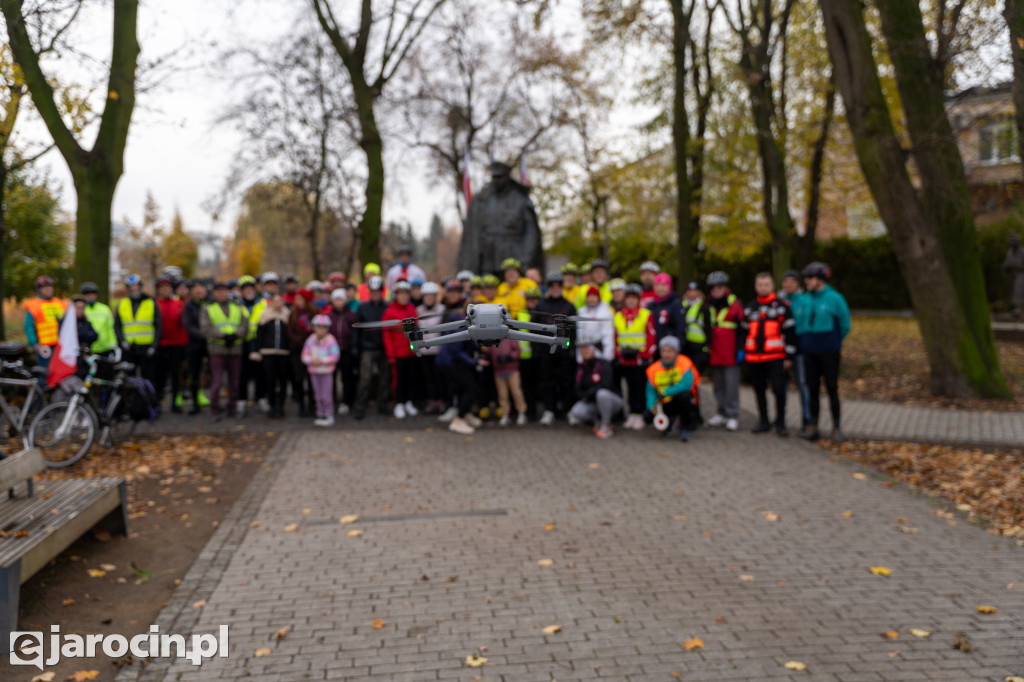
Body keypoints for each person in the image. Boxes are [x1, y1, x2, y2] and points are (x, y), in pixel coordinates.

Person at [795, 262, 851, 442]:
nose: (806, 281)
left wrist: (833, 342)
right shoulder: (805, 299)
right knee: (812, 389)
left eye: (809, 278)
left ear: (820, 280)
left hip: (829, 351)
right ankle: (813, 426)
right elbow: (801, 323)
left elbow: (845, 325)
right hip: (809, 351)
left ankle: (836, 427)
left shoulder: (835, 298)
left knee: (832, 388)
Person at [742, 272, 797, 437]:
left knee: (779, 390)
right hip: (754, 358)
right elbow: (744, 332)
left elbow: (791, 332)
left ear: (772, 286)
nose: (763, 287)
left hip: (776, 358)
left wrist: (789, 356)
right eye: (760, 284)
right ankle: (763, 421)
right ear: (755, 286)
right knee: (759, 390)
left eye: (766, 284)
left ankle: (780, 423)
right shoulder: (750, 307)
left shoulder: (782, 306)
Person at [200, 281, 249, 421]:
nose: (221, 294)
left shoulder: (238, 306)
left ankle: (232, 407)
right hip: (217, 350)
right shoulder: (208, 308)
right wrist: (223, 336)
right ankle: (215, 408)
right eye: (218, 291)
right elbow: (205, 328)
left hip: (235, 349)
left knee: (235, 381)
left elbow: (245, 324)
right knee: (217, 381)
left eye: (224, 291)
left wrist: (235, 335)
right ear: (214, 293)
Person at [705, 271, 744, 431]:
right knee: (718, 385)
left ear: (725, 287)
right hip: (715, 351)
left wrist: (741, 349)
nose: (716, 290)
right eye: (713, 287)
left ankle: (733, 415)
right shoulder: (708, 304)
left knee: (731, 385)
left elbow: (742, 328)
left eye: (719, 287)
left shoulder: (735, 303)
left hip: (730, 351)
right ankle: (721, 413)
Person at [536, 271, 577, 425]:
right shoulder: (541, 305)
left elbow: (574, 330)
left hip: (564, 352)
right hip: (546, 352)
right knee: (547, 382)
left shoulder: (569, 306)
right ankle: (549, 410)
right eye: (552, 286)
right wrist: (538, 348)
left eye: (558, 285)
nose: (555, 288)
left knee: (566, 381)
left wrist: (570, 347)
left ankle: (568, 410)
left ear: (562, 287)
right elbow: (534, 329)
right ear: (548, 288)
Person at [614, 284, 656, 430]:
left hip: (640, 359)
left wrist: (645, 355)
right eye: (629, 298)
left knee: (640, 387)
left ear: (639, 300)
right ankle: (632, 413)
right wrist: (618, 353)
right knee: (630, 388)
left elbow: (651, 337)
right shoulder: (619, 315)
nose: (631, 301)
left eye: (634, 298)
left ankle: (641, 414)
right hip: (625, 359)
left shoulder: (645, 314)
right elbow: (615, 336)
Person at [436, 302, 482, 435]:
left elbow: (471, 342)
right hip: (450, 363)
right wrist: (475, 361)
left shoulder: (470, 322)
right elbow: (455, 349)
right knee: (471, 388)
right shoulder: (463, 324)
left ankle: (465, 413)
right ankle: (458, 419)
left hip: (456, 362)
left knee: (465, 388)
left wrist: (479, 351)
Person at [644, 335, 700, 442]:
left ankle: (684, 428)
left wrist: (667, 392)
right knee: (646, 416)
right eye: (663, 351)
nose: (666, 354)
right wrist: (651, 406)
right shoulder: (653, 369)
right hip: (664, 404)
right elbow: (650, 390)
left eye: (669, 351)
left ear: (676, 352)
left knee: (685, 397)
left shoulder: (684, 363)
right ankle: (668, 422)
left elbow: (687, 384)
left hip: (683, 402)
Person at [352, 276, 391, 419]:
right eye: (373, 291)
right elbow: (356, 328)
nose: (375, 294)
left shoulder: (387, 306)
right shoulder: (363, 307)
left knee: (385, 377)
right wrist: (355, 346)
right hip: (367, 347)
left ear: (382, 292)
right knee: (365, 378)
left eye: (378, 291)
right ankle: (360, 405)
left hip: (383, 347)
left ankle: (383, 403)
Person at [778, 269, 812, 432]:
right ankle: (780, 417)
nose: (788, 284)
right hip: (780, 349)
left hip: (800, 348)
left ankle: (806, 416)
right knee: (780, 385)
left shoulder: (804, 301)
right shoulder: (778, 300)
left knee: (802, 383)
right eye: (785, 281)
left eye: (791, 281)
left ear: (798, 284)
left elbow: (805, 325)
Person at [568, 340, 623, 439]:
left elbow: (606, 384)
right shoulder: (581, 368)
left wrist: (589, 393)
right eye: (582, 349)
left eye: (587, 348)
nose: (585, 351)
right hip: (593, 402)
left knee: (602, 394)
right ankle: (597, 421)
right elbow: (577, 390)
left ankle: (606, 425)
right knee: (576, 411)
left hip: (612, 401)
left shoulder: (603, 364)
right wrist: (588, 394)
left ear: (594, 350)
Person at [114, 273, 162, 384]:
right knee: (129, 379)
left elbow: (158, 326)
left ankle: (147, 401)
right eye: (131, 286)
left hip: (146, 348)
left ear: (140, 286)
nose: (134, 289)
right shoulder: (122, 303)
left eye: (136, 286)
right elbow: (117, 325)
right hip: (129, 348)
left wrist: (154, 346)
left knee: (148, 378)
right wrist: (122, 341)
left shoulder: (150, 302)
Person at [381, 280, 419, 419]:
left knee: (411, 377)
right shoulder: (390, 311)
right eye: (401, 294)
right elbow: (387, 334)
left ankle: (408, 401)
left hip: (411, 351)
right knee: (399, 379)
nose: (404, 297)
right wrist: (391, 354)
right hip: (398, 352)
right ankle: (399, 403)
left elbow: (416, 329)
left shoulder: (412, 309)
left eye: (406, 294)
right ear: (396, 295)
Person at [251, 292, 291, 418]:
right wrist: (257, 350)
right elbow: (259, 335)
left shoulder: (287, 315)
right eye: (275, 301)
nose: (278, 303)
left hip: (284, 353)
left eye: (280, 301)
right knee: (270, 381)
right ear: (271, 302)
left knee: (283, 381)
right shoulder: (265, 315)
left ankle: (281, 406)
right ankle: (272, 406)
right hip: (268, 352)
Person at [25, 276, 68, 384]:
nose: (48, 290)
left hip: (60, 346)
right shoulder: (34, 305)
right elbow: (28, 326)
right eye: (45, 287)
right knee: (44, 373)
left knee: (59, 373)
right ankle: (41, 398)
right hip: (44, 347)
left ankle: (56, 398)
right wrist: (34, 343)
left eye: (50, 287)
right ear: (39, 289)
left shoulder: (60, 304)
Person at [155, 277, 188, 413]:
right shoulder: (155, 304)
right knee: (160, 376)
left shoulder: (179, 304)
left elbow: (183, 325)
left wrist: (184, 344)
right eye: (162, 288)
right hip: (161, 345)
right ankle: (158, 404)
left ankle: (175, 402)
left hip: (176, 345)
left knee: (176, 375)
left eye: (168, 288)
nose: (165, 290)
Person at [302, 314, 341, 427]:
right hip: (314, 371)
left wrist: (322, 360)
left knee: (326, 394)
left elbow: (335, 356)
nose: (321, 329)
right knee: (317, 394)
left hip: (326, 372)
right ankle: (320, 412)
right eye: (318, 327)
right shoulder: (310, 340)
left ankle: (328, 414)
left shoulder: (331, 340)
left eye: (323, 327)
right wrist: (311, 360)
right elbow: (304, 355)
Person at [483, 334, 528, 426]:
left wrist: (509, 357)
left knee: (516, 392)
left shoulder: (511, 337)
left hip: (512, 370)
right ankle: (505, 414)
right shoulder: (492, 338)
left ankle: (521, 412)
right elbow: (488, 351)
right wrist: (483, 357)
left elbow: (518, 351)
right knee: (502, 394)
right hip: (498, 371)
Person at [416, 282, 447, 414]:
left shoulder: (442, 309)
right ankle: (432, 400)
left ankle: (441, 401)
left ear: (435, 297)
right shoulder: (418, 310)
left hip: (438, 350)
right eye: (426, 296)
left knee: (439, 377)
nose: (428, 299)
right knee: (428, 378)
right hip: (424, 350)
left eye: (431, 296)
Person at [183, 280, 210, 415]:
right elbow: (187, 325)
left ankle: (214, 401)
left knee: (214, 373)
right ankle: (195, 403)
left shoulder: (211, 304)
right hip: (194, 345)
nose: (198, 292)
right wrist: (202, 335)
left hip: (211, 344)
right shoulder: (189, 307)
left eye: (201, 289)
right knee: (194, 374)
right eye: (195, 290)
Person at [288, 290, 316, 417]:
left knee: (311, 379)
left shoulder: (314, 313)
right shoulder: (293, 314)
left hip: (312, 350)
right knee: (298, 378)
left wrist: (309, 340)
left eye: (299, 298)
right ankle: (301, 405)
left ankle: (312, 404)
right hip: (297, 350)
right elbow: (289, 331)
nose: (297, 301)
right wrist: (299, 340)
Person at [328, 288, 356, 416]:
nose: (338, 302)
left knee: (347, 377)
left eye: (340, 299)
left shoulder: (351, 315)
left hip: (346, 350)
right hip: (331, 352)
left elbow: (355, 332)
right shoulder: (328, 316)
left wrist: (354, 347)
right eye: (336, 299)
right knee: (331, 378)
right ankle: (332, 400)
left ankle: (346, 401)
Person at [516, 286, 543, 419]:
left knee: (541, 385)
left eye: (534, 300)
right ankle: (529, 412)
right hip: (525, 356)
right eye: (529, 300)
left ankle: (540, 412)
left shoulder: (543, 313)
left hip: (540, 356)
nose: (532, 302)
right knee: (527, 386)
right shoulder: (520, 314)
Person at [574, 285, 615, 364]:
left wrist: (607, 356)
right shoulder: (581, 312)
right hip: (584, 353)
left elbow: (608, 335)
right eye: (589, 296)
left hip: (599, 352)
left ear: (598, 298)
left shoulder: (605, 312)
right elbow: (579, 335)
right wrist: (579, 356)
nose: (591, 299)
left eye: (594, 296)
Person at [79, 281, 118, 357]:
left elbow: (110, 327)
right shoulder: (81, 309)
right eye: (87, 294)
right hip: (87, 349)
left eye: (93, 294)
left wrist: (113, 343)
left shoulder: (104, 309)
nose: (90, 296)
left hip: (104, 348)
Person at [646, 273, 685, 346]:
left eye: (663, 285)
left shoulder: (675, 304)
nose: (660, 288)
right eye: (657, 285)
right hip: (654, 348)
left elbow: (681, 328)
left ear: (669, 287)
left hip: (669, 350)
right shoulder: (651, 305)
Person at [680, 281, 711, 373]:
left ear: (699, 292)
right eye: (690, 291)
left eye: (695, 291)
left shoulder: (704, 308)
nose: (692, 293)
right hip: (685, 344)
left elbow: (708, 328)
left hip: (699, 345)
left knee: (696, 372)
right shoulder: (682, 306)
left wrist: (707, 346)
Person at [1004, 234, 1024, 317]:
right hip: (1012, 274)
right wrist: (1006, 266)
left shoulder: (1022, 251)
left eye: (1014, 241)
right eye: (1011, 242)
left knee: (1019, 291)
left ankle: (1019, 309)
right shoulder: (1009, 251)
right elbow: (1007, 261)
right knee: (1013, 291)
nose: (1012, 243)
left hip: (1021, 273)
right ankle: (1016, 309)